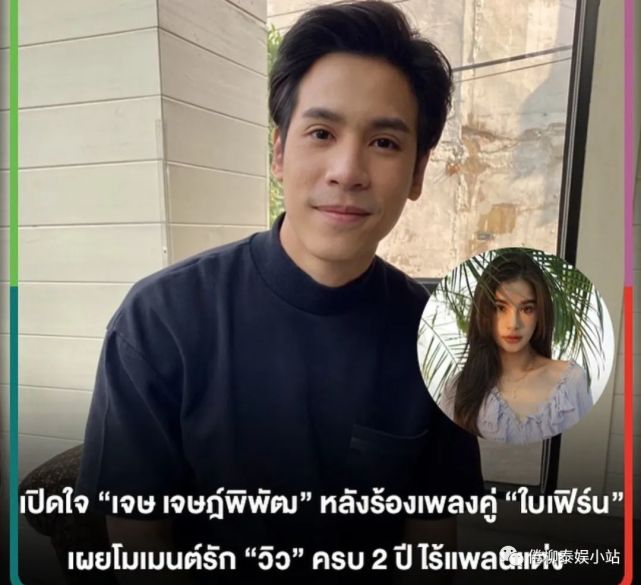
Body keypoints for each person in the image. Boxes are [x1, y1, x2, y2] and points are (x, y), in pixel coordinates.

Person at [77, 2, 484, 583]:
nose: (347, 170)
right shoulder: (159, 321)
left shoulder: (440, 341)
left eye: (384, 143)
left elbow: (432, 540)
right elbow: (139, 542)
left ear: (418, 173)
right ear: (278, 152)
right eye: (321, 133)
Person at [439, 250, 592, 445]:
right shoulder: (458, 390)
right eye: (500, 307)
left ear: (540, 314)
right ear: (484, 311)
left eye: (527, 309)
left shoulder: (571, 382)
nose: (513, 324)